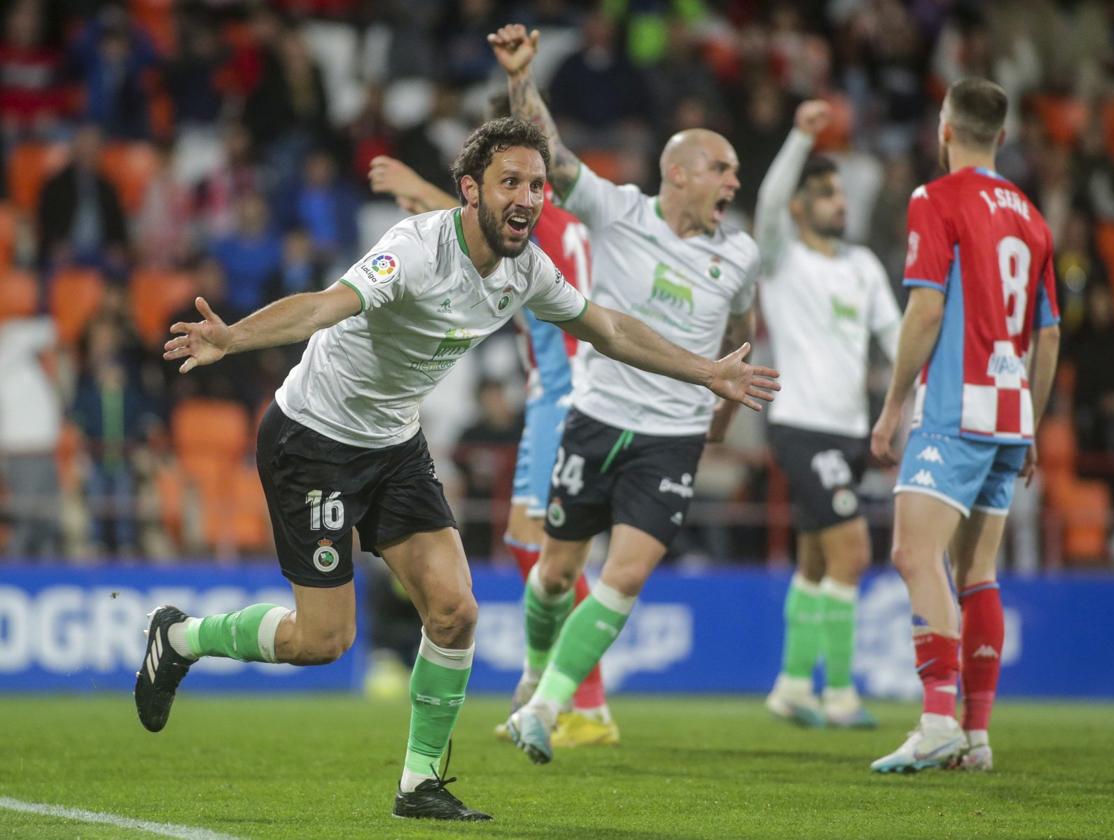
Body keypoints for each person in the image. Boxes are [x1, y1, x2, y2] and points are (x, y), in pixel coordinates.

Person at [140, 116, 778, 822]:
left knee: (455, 610)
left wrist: (705, 372)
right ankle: (181, 637)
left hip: (394, 446)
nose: (530, 197)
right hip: (313, 439)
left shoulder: (527, 269)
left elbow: (611, 328)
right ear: (471, 191)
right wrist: (234, 337)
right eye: (512, 182)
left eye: (538, 185)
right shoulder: (416, 248)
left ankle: (420, 784)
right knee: (322, 641)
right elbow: (326, 305)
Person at [490, 24, 761, 765]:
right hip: (597, 417)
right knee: (553, 576)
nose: (734, 184)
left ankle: (547, 710)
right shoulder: (619, 211)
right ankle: (533, 675)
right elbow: (551, 152)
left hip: (670, 435)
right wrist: (522, 78)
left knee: (628, 574)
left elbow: (742, 326)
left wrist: (724, 411)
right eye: (722, 170)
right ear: (679, 173)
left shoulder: (739, 254)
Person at [370, 134, 620, 749]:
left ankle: (579, 700)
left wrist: (418, 189)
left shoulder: (539, 229)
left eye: (527, 181)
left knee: (550, 555)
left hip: (564, 394)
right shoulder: (561, 222)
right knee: (530, 545)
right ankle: (560, 693)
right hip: (562, 394)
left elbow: (475, 225)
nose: (521, 194)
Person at [869, 78, 1060, 773]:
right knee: (976, 572)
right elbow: (1049, 336)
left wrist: (893, 405)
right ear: (1001, 138)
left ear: (944, 129)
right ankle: (975, 736)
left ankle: (934, 719)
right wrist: (1032, 424)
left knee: (914, 557)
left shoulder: (935, 198)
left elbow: (924, 312)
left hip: (956, 409)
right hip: (1011, 416)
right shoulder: (1033, 217)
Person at [755, 100, 900, 730]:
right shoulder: (784, 258)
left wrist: (910, 404)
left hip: (850, 431)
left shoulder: (864, 267)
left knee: (816, 561)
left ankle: (790, 687)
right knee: (853, 553)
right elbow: (765, 207)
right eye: (824, 194)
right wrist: (798, 138)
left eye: (840, 194)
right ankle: (839, 693)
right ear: (799, 205)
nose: (839, 204)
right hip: (800, 424)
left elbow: (898, 342)